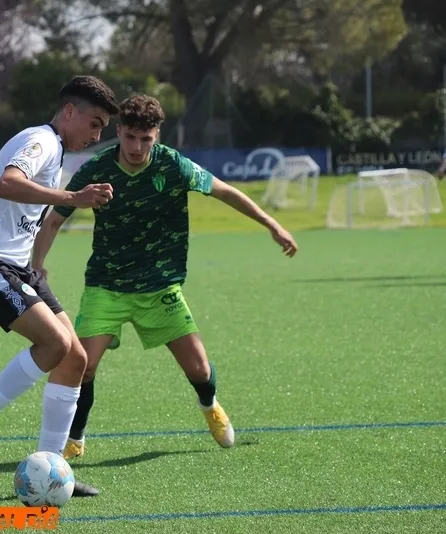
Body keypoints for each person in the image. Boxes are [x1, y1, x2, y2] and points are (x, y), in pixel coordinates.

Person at [31, 94, 298, 461]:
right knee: (84, 365)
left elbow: (226, 192)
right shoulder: (97, 169)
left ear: (157, 136)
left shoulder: (174, 166)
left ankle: (210, 406)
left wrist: (272, 224)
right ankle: (74, 437)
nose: (137, 147)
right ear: (119, 131)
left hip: (160, 286)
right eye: (130, 137)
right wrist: (38, 261)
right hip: (107, 285)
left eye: (147, 139)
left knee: (199, 368)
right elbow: (56, 217)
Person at [0, 75, 119, 497]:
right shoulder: (41, 140)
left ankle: (53, 469)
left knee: (75, 357)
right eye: (95, 123)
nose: (97, 135)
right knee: (55, 346)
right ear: (68, 112)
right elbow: (7, 183)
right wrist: (72, 198)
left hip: (17, 267)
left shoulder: (54, 150)